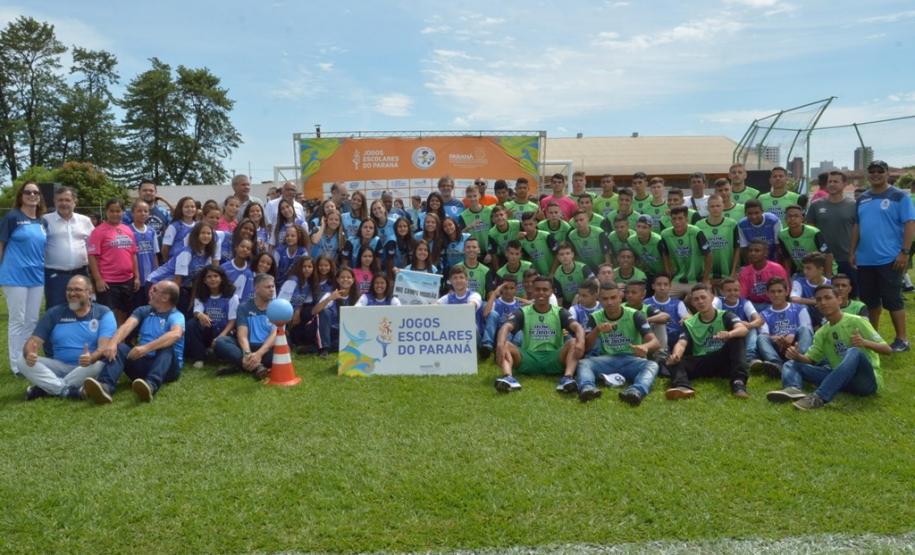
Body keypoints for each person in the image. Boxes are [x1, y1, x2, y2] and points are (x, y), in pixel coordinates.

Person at [770, 285, 891, 410]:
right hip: (840, 380)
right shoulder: (821, 332)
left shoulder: (857, 321)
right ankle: (792, 388)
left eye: (828, 298)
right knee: (791, 363)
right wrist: (797, 356)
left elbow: (887, 349)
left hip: (864, 382)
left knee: (854, 352)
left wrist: (865, 343)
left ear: (839, 300)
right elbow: (811, 359)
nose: (823, 302)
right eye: (819, 300)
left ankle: (818, 398)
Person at [849, 160, 915, 352]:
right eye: (872, 171)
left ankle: (902, 340)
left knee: (892, 299)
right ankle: (873, 337)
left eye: (880, 171)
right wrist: (852, 251)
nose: (876, 174)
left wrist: (904, 252)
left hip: (890, 259)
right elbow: (857, 226)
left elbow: (910, 224)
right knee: (870, 301)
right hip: (865, 259)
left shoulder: (899, 196)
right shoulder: (863, 198)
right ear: (868, 175)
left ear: (887, 174)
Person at [83, 280, 185, 404]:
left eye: (154, 290)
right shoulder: (144, 310)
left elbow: (175, 334)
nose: (150, 291)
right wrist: (112, 343)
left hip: (168, 369)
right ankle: (105, 387)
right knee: (120, 347)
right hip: (142, 363)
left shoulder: (176, 316)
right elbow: (127, 326)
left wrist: (145, 348)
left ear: (165, 297)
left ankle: (151, 385)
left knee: (167, 347)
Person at [17, 275, 116, 400]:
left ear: (89, 292)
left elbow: (103, 348)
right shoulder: (54, 313)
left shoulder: (103, 312)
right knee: (21, 361)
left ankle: (47, 388)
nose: (72, 293)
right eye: (69, 290)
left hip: (87, 367)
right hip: (59, 366)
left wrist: (91, 358)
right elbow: (33, 341)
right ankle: (65, 390)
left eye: (77, 289)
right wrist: (29, 353)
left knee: (100, 364)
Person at [493, 275, 585, 393]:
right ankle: (508, 378)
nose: (541, 293)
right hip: (529, 358)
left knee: (573, 342)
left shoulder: (560, 311)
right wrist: (500, 345)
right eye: (537, 289)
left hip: (554, 358)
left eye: (545, 289)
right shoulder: (523, 311)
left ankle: (567, 379)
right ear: (532, 291)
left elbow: (578, 327)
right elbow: (506, 327)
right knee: (505, 344)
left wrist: (581, 343)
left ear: (551, 291)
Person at [575, 282, 661, 404]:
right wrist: (597, 330)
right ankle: (587, 388)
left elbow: (655, 342)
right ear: (599, 299)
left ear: (621, 297)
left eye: (613, 297)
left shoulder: (635, 315)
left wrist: (645, 347)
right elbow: (587, 347)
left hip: (631, 359)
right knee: (584, 363)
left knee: (652, 365)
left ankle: (636, 391)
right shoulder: (594, 317)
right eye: (605, 299)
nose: (609, 302)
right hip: (607, 360)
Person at [665, 283, 750, 400]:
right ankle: (682, 387)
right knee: (674, 361)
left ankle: (738, 384)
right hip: (702, 361)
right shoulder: (690, 323)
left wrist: (729, 334)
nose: (700, 301)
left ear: (711, 297)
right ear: (693, 303)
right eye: (696, 299)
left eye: (703, 297)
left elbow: (743, 329)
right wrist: (676, 355)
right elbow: (681, 343)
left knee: (737, 337)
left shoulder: (726, 315)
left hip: (723, 360)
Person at [0, 181, 47, 375]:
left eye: (35, 192)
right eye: (28, 192)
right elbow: (1, 245)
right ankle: (15, 364)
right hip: (15, 276)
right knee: (17, 320)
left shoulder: (42, 221)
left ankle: (27, 359)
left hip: (37, 277)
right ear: (21, 195)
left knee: (32, 320)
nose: (32, 195)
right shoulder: (12, 217)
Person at [213, 273, 278, 377]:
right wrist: (247, 353)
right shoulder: (244, 307)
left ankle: (241, 366)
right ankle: (257, 367)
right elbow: (242, 335)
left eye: (273, 286)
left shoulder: (277, 307)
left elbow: (275, 334)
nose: (272, 289)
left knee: (283, 345)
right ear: (257, 289)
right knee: (221, 341)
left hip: (266, 348)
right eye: (267, 287)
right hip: (247, 346)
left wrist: (259, 354)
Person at [87, 199, 140, 326]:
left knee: (124, 313)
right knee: (109, 315)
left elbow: (133, 254)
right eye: (112, 211)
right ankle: (109, 341)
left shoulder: (127, 229)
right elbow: (92, 257)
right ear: (106, 212)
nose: (115, 214)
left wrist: (137, 276)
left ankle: (122, 342)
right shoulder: (98, 231)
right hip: (108, 282)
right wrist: (98, 279)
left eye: (118, 211)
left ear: (123, 212)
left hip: (128, 280)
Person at [42, 186, 94, 309]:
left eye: (67, 200)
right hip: (55, 276)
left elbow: (94, 246)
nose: (64, 203)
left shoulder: (85, 221)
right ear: (54, 202)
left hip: (81, 273)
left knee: (79, 308)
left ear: (74, 202)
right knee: (56, 309)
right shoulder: (45, 220)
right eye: (60, 200)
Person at [806, 171, 857, 293]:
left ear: (844, 184)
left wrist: (854, 253)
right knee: (824, 295)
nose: (832, 184)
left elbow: (859, 231)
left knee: (849, 295)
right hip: (822, 259)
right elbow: (809, 232)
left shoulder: (854, 205)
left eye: (836, 181)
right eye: (830, 181)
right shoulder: (815, 205)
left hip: (846, 258)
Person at [751, 277, 812, 378]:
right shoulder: (764, 314)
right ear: (767, 293)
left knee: (804, 330)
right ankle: (776, 365)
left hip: (796, 345)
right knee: (761, 338)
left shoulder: (800, 309)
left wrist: (792, 334)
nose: (776, 295)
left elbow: (807, 328)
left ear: (787, 292)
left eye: (780, 291)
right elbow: (764, 333)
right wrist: (774, 338)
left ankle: (799, 360)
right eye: (772, 291)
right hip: (777, 346)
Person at [186, 265, 239, 368]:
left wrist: (220, 337)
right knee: (192, 324)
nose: (212, 279)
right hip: (209, 331)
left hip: (226, 332)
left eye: (216, 276)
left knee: (223, 345)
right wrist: (200, 315)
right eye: (209, 277)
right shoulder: (201, 294)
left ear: (221, 278)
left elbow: (232, 321)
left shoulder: (232, 296)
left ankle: (217, 353)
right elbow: (197, 310)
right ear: (204, 280)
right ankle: (199, 358)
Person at [660, 206, 712, 298]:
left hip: (696, 280)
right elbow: (665, 255)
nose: (677, 222)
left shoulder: (696, 232)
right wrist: (669, 276)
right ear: (671, 221)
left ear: (686, 219)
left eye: (680, 218)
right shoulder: (665, 234)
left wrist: (705, 279)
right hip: (677, 280)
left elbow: (708, 255)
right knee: (665, 300)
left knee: (705, 300)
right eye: (674, 219)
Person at [713, 277, 765, 364]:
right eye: (729, 290)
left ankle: (750, 358)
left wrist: (749, 325)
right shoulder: (718, 301)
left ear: (740, 291)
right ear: (722, 292)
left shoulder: (745, 303)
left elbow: (759, 320)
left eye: (736, 290)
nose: (733, 293)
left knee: (752, 329)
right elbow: (711, 315)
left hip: (740, 332)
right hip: (722, 332)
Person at [312, 267, 360, 357]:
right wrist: (330, 298)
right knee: (325, 312)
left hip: (346, 332)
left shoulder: (359, 297)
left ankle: (324, 347)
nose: (345, 279)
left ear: (353, 280)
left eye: (349, 277)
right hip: (330, 331)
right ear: (337, 280)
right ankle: (324, 348)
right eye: (342, 277)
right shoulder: (329, 294)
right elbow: (314, 311)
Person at [696, 194, 740, 289]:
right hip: (707, 275)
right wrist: (704, 276)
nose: (715, 209)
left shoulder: (732, 224)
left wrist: (733, 272)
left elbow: (737, 248)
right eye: (712, 206)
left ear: (723, 206)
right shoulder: (699, 225)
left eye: (718, 205)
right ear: (707, 208)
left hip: (727, 273)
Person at [779, 205, 834, 278]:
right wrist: (788, 277)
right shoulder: (782, 235)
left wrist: (828, 277)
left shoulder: (814, 232)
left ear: (802, 218)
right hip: (802, 272)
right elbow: (787, 258)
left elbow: (828, 255)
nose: (792, 219)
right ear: (785, 219)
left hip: (822, 271)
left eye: (796, 216)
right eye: (789, 216)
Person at [278, 255, 318, 353]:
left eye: (310, 267)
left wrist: (298, 311)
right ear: (299, 267)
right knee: (287, 348)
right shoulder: (292, 280)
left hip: (294, 315)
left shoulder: (308, 283)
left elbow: (301, 300)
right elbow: (281, 303)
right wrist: (293, 315)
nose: (307, 269)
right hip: (281, 314)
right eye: (304, 266)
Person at [738, 239, 788, 310]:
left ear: (766, 253)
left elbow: (785, 292)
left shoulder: (777, 269)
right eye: (750, 251)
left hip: (774, 304)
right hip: (754, 306)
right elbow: (742, 296)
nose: (753, 253)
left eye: (757, 251)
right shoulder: (744, 272)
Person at [480, 277, 522, 358]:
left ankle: (507, 351)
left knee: (519, 330)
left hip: (510, 335)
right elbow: (485, 314)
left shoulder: (519, 305)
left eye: (511, 288)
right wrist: (495, 293)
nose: (508, 291)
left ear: (516, 289)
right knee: (493, 314)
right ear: (501, 289)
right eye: (505, 288)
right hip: (496, 334)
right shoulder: (496, 302)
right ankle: (487, 346)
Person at [128, 200, 160, 308]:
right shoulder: (128, 230)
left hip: (150, 278)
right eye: (139, 211)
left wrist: (156, 274)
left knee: (150, 306)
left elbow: (154, 254)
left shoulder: (151, 231)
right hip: (135, 278)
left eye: (145, 211)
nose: (143, 213)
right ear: (133, 213)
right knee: (136, 306)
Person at [122, 179, 172, 245]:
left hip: (160, 253)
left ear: (155, 193)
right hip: (137, 254)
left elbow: (171, 231)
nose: (148, 192)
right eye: (145, 190)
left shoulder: (164, 212)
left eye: (151, 191)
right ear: (139, 192)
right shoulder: (128, 213)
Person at [790, 253, 831, 325]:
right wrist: (816, 301)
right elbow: (794, 299)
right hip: (807, 320)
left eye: (808, 268)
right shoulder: (799, 282)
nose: (805, 271)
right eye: (804, 268)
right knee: (802, 307)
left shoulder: (830, 283)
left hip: (826, 317)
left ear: (820, 269)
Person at [161, 196, 198, 261]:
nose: (190, 209)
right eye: (186, 207)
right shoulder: (174, 226)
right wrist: (168, 262)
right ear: (180, 209)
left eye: (192, 207)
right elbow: (165, 248)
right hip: (176, 264)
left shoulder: (199, 226)